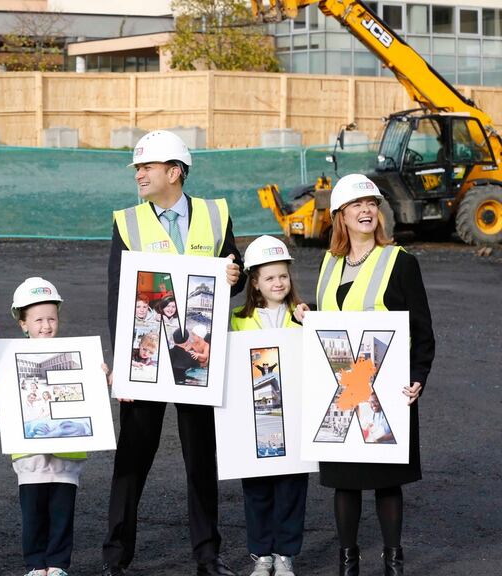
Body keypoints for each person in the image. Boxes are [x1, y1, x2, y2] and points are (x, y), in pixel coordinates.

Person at [102, 130, 246, 576]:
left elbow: (235, 277)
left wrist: (235, 276)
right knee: (132, 457)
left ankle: (207, 555)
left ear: (175, 172)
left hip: (199, 358)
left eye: (146, 167)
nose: (139, 175)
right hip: (146, 359)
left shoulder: (215, 215)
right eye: (138, 169)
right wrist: (121, 368)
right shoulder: (127, 222)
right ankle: (115, 556)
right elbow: (116, 296)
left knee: (201, 459)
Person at [299, 174, 434, 576]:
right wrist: (306, 313)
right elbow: (332, 317)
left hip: (386, 390)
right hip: (341, 391)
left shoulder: (400, 262)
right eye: (357, 205)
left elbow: (423, 332)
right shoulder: (329, 263)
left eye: (372, 204)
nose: (366, 211)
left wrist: (418, 377)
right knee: (346, 482)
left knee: (386, 481)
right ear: (340, 215)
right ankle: (348, 561)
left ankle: (393, 560)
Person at [1, 277, 100, 576]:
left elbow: (89, 390)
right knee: (32, 513)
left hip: (67, 454)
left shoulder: (76, 355)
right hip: (29, 456)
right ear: (23, 323)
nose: (46, 326)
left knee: (61, 512)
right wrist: (1, 381)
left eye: (51, 318)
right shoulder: (9, 359)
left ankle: (57, 565)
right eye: (38, 319)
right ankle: (35, 565)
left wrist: (98, 373)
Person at [231, 235, 310, 576]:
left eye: (283, 276)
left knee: (291, 487)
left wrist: (313, 322)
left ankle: (285, 554)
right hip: (253, 419)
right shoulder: (236, 319)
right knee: (258, 488)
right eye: (270, 277)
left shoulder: (305, 316)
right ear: (255, 282)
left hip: (294, 416)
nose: (278, 283)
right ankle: (262, 554)